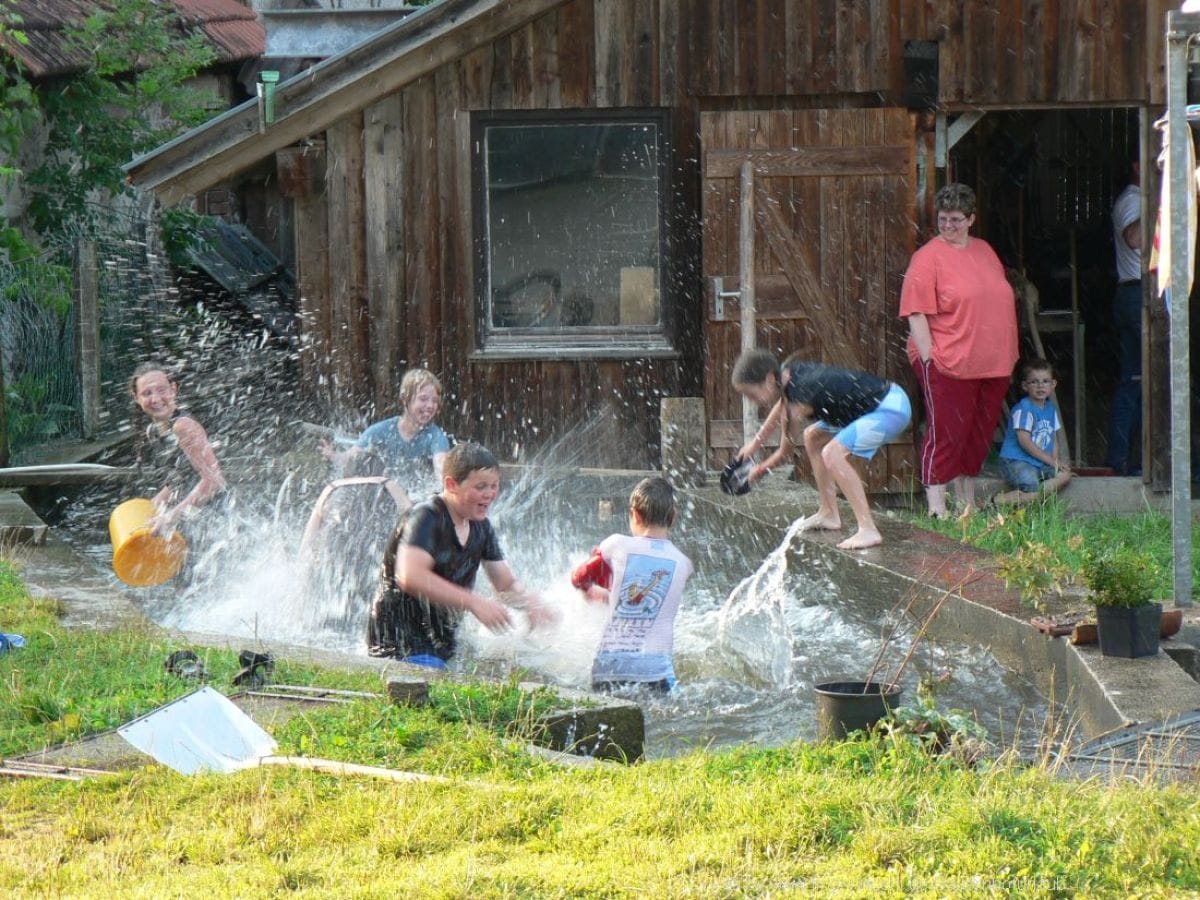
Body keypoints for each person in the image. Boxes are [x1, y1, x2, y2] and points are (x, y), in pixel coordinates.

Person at [367, 442, 549, 668]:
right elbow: (410, 576)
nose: (490, 494)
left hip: (441, 642)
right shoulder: (426, 517)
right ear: (451, 484)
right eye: (481, 486)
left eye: (494, 486)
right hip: (399, 641)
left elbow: (504, 584)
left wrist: (530, 602)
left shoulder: (481, 528)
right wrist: (472, 601)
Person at [899, 182, 1019, 518]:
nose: (948, 226)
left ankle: (966, 504)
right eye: (943, 219)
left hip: (992, 361)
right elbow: (915, 312)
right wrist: (928, 358)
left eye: (955, 219)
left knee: (978, 434)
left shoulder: (984, 250)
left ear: (971, 219)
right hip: (949, 360)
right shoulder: (927, 258)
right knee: (947, 433)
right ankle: (937, 509)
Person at [731, 349, 912, 551]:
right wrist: (755, 444)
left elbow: (784, 451)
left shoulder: (800, 397)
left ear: (768, 379)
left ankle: (868, 529)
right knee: (813, 437)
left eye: (750, 394)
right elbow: (782, 406)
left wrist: (758, 471)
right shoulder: (787, 375)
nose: (750, 400)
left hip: (891, 408)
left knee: (832, 454)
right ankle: (829, 513)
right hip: (884, 401)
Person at [571, 476, 694, 693]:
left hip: (608, 670)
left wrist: (593, 592)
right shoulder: (684, 563)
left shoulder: (616, 545)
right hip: (656, 673)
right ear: (673, 517)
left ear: (635, 514)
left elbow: (579, 577)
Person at [320, 368, 450, 500]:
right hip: (380, 498)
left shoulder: (435, 436)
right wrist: (333, 456)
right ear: (405, 399)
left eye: (434, 401)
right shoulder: (379, 431)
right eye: (423, 399)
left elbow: (441, 467)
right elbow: (351, 459)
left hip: (414, 500)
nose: (430, 405)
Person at [130, 362, 226, 536]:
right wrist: (153, 505)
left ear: (173, 389)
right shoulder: (153, 430)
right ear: (136, 398)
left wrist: (170, 517)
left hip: (220, 523)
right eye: (146, 393)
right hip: (195, 521)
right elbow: (179, 480)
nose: (156, 399)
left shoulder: (183, 426)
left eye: (162, 390)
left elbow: (214, 482)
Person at [993, 359, 1073, 506]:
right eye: (1034, 382)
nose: (1040, 386)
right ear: (1025, 386)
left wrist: (1054, 462)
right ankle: (996, 501)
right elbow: (1025, 442)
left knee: (1065, 475)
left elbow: (1053, 438)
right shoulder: (1024, 409)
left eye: (1045, 381)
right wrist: (1050, 461)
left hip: (1039, 462)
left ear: (1053, 385)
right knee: (1030, 485)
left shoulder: (1050, 409)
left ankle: (1032, 497)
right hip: (1016, 461)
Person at [1106, 158, 1142, 476]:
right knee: (1138, 381)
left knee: (1138, 380)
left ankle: (1128, 458)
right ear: (1135, 165)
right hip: (1136, 294)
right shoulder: (1133, 200)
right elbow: (1134, 237)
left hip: (1139, 294)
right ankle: (1122, 459)